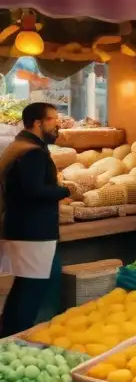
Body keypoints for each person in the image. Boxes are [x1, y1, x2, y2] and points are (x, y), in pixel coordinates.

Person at [0, 103, 71, 337]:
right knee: (32, 288)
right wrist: (65, 191)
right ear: (38, 123)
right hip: (33, 231)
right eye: (53, 119)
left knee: (29, 285)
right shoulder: (32, 152)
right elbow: (32, 190)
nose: (58, 124)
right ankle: (18, 337)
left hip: (25, 228)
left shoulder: (21, 147)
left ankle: (12, 334)